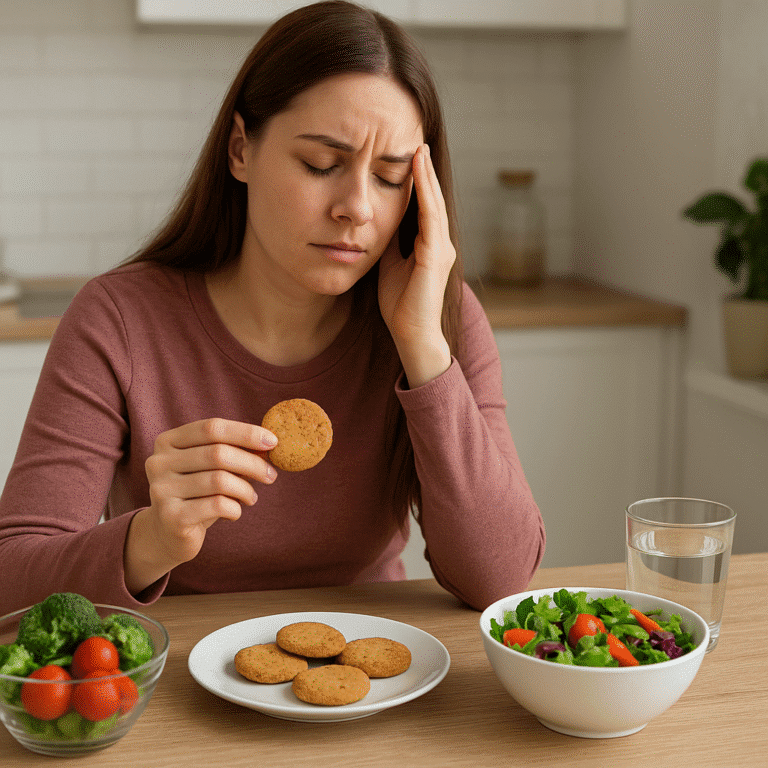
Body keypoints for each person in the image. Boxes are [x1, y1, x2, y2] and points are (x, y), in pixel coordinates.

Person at [0, 0, 544, 615]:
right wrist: (148, 540)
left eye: (391, 177)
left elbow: (501, 579)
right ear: (240, 149)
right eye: (321, 164)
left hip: (373, 674)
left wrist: (422, 347)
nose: (358, 208)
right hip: (175, 679)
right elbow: (10, 578)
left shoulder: (437, 317)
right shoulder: (120, 319)